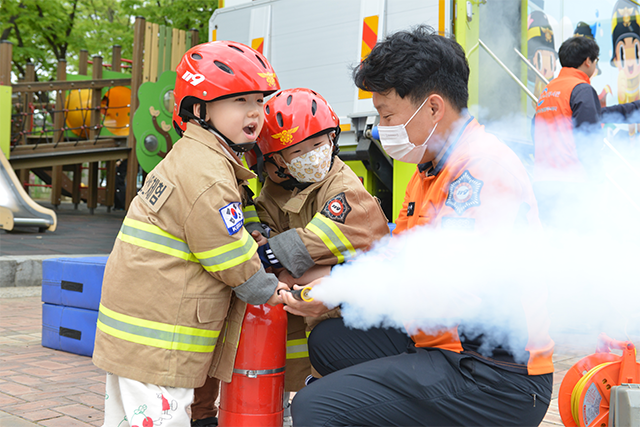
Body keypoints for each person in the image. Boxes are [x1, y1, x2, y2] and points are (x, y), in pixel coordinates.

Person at [287, 25, 555, 427]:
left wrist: (341, 286)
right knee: (330, 341)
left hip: (492, 375)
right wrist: (329, 281)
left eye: (387, 114)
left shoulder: (480, 170)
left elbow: (443, 278)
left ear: (432, 108)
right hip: (439, 343)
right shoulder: (430, 168)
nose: (380, 128)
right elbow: (402, 257)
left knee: (315, 407)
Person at [92, 41, 289, 427]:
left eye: (260, 102)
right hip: (161, 336)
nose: (255, 112)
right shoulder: (207, 174)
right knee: (162, 418)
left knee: (130, 417)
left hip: (141, 326)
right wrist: (267, 287)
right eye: (240, 101)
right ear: (199, 109)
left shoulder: (196, 158)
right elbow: (226, 250)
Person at [252, 87, 390, 391]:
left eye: (319, 143)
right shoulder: (276, 188)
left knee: (336, 375)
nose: (313, 155)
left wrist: (269, 255)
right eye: (298, 151)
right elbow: (265, 222)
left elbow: (321, 238)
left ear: (333, 139)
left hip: (351, 307)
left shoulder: (344, 187)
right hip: (312, 304)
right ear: (275, 162)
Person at [533, 35, 640, 229]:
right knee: (578, 244)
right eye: (596, 60)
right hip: (572, 183)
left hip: (544, 181)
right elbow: (588, 138)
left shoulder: (548, 91)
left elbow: (539, 129)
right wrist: (597, 179)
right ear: (587, 61)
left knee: (555, 243)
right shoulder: (581, 89)